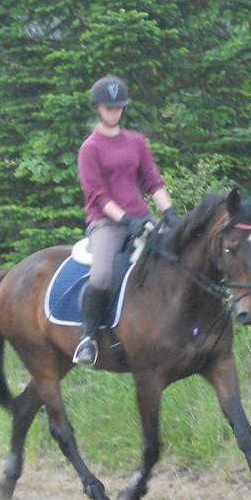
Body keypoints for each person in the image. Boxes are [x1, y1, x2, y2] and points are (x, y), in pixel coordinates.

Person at [73, 75, 177, 365]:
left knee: (176, 256)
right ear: (98, 108)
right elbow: (96, 195)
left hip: (141, 217)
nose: (114, 112)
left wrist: (168, 211)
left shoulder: (136, 141)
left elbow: (152, 181)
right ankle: (88, 337)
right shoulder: (89, 148)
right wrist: (126, 219)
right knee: (103, 274)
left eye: (118, 107)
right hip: (106, 222)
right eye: (109, 108)